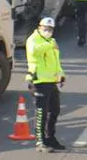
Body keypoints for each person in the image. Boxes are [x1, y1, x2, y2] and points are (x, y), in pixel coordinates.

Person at [26, 17, 66, 152]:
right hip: (38, 81)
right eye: (45, 29)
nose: (48, 31)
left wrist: (61, 73)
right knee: (41, 112)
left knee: (54, 110)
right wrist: (50, 44)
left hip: (51, 81)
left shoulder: (51, 41)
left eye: (50, 29)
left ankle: (50, 138)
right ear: (39, 27)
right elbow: (34, 51)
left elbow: (56, 61)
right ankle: (40, 141)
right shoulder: (33, 40)